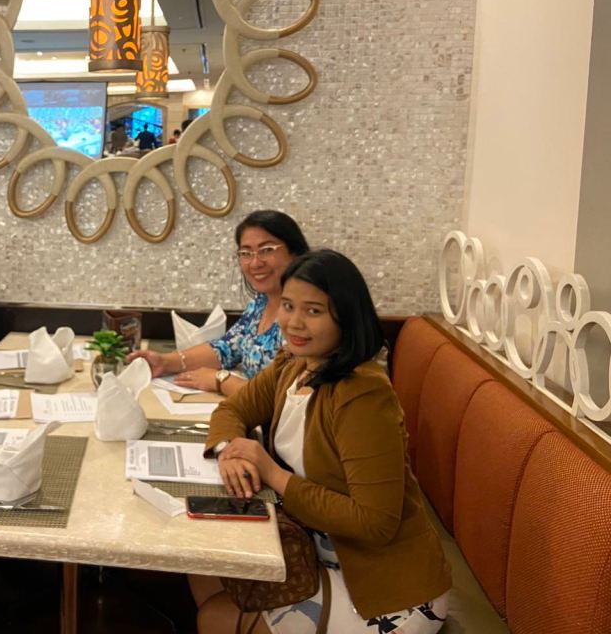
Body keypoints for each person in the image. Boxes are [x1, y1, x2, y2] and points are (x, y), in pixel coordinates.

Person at [194, 250, 451, 634]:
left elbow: (375, 522)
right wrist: (228, 450)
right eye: (288, 306)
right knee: (205, 567)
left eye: (313, 311)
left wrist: (273, 474)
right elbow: (234, 409)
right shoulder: (295, 364)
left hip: (383, 586)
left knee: (215, 616)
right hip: (313, 550)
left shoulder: (363, 395)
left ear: (346, 316)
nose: (294, 322)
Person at [128, 210, 310, 398]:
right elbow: (226, 348)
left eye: (267, 250)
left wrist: (221, 380)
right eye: (246, 253)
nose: (255, 263)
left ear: (295, 253)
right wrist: (165, 362)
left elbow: (288, 396)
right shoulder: (261, 302)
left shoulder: (305, 315)